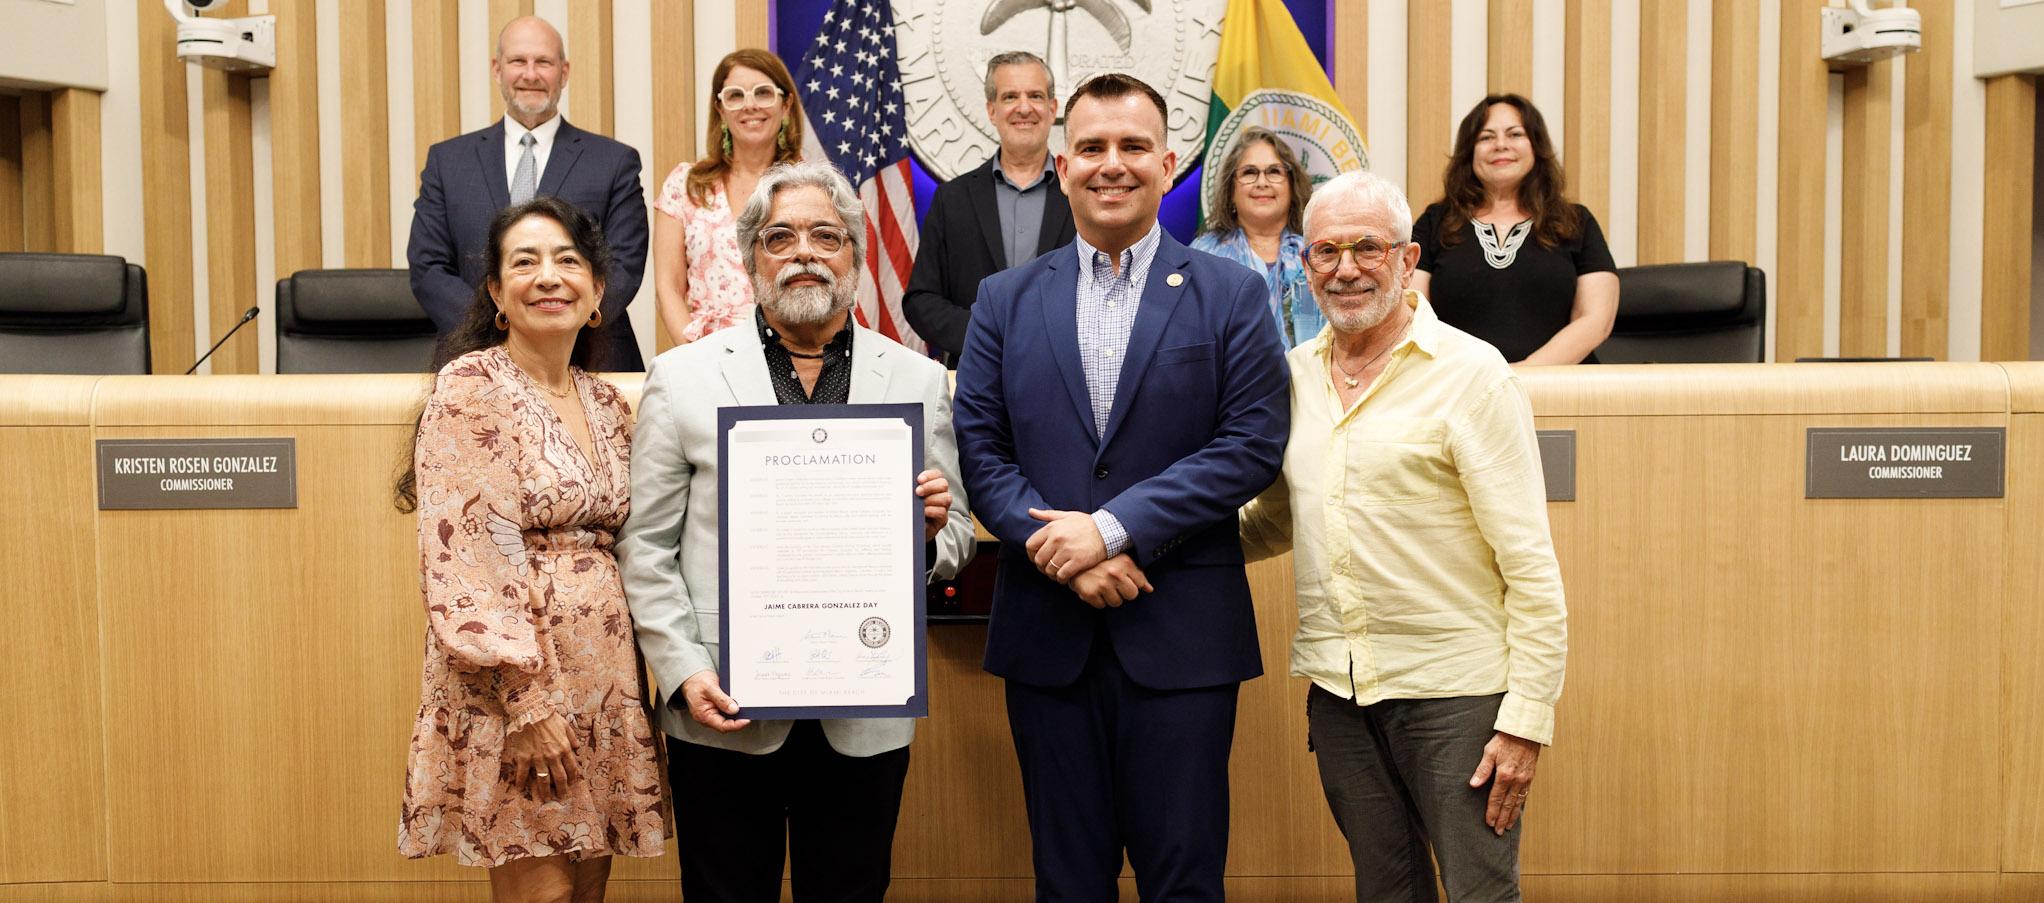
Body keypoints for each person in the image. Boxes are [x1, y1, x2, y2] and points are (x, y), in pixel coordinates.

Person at [951, 73, 1290, 901]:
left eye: (1133, 147)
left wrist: (1109, 529)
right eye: (1094, 147)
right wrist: (1066, 554)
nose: (1113, 164)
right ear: (1063, 165)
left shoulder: (1232, 294)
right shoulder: (1002, 300)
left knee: (1183, 879)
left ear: (1169, 164)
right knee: (1067, 881)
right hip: (1048, 635)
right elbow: (982, 449)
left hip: (1182, 634)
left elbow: (1251, 444)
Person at [617, 161, 976, 903]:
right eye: (780, 237)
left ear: (854, 255)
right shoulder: (683, 378)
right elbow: (645, 548)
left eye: (826, 235)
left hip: (864, 706)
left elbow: (958, 536)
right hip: (725, 701)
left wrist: (931, 532)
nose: (804, 251)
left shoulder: (913, 378)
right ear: (751, 261)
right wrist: (684, 671)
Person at [1239, 169, 1568, 902]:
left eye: (1367, 248)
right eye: (1326, 251)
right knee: (1386, 893)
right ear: (1304, 264)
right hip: (1340, 692)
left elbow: (1530, 565)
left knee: (1480, 894)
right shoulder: (1294, 379)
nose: (1346, 269)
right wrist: (1157, 542)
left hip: (1458, 699)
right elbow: (1275, 520)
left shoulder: (1472, 376)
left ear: (1407, 260)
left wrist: (1525, 721)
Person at [397, 196, 668, 902]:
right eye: (525, 262)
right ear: (496, 294)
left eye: (568, 261)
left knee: (587, 889)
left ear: (598, 292)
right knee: (542, 895)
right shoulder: (470, 389)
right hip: (517, 691)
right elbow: (467, 558)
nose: (549, 276)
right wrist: (526, 702)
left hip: (604, 681)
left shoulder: (609, 404)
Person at [409, 16, 650, 371]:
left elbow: (623, 266)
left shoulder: (614, 162)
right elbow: (428, 266)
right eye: (518, 61)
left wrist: (558, 326)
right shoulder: (448, 161)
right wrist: (498, 326)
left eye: (544, 62)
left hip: (590, 357)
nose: (531, 74)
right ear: (497, 69)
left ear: (564, 73)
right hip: (473, 359)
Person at [1411, 93, 1618, 364]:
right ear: (1469, 152)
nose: (1500, 145)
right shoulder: (1434, 222)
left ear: (1536, 146)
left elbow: (1596, 319)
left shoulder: (1576, 221)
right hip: (1460, 390)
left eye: (1515, 134)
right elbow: (1414, 312)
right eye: (1486, 137)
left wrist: (1524, 375)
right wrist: (1472, 379)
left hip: (1560, 390)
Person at [902, 50, 1076, 366]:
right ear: (992, 110)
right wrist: (985, 335)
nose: (1024, 107)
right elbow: (921, 301)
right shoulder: (951, 198)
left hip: (1065, 375)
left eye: (1035, 96)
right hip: (976, 378)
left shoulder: (1081, 195)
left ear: (1052, 109)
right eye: (1010, 97)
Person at [651, 49, 804, 345]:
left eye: (763, 93)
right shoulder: (685, 185)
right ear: (720, 109)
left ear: (786, 105)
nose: (750, 106)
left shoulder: (810, 185)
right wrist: (694, 358)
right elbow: (667, 288)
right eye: (735, 96)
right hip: (705, 356)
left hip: (793, 352)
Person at [1192, 125, 1324, 348]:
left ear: (1292, 187)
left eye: (1274, 172)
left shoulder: (1319, 253)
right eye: (1249, 172)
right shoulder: (1202, 255)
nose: (1262, 182)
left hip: (1311, 379)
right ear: (1231, 191)